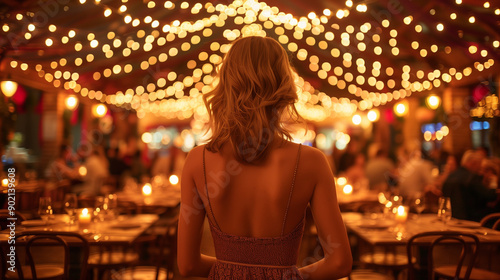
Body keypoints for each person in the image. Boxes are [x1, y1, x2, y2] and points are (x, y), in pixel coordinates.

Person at [177, 36, 352, 279]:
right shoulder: (312, 162)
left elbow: (187, 265)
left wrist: (234, 269)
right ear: (284, 87)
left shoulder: (198, 160)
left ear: (227, 85)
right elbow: (340, 263)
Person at [442, 150, 500, 222]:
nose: (480, 170)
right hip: (472, 219)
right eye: (479, 165)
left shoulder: (451, 176)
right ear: (473, 163)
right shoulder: (472, 177)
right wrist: (494, 184)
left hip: (453, 218)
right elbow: (490, 195)